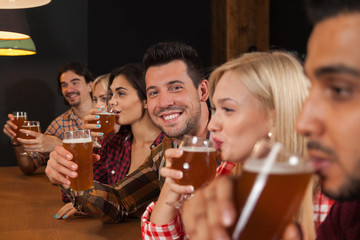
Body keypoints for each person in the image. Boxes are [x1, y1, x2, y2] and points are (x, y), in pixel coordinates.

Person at [182, 0, 360, 239]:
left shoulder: (337, 192)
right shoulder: (346, 212)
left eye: (339, 90)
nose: (304, 121)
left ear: (277, 116)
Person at [141, 51, 317, 239]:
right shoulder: (230, 170)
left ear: (275, 118)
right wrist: (172, 185)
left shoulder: (327, 200)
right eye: (216, 109)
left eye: (228, 109)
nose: (212, 125)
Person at [44, 41, 211, 223]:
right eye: (154, 92)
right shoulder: (165, 150)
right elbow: (120, 201)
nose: (164, 103)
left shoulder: (237, 146)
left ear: (202, 91)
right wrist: (69, 176)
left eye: (176, 87)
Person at [53, 63, 164, 220]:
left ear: (146, 99)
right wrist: (88, 143)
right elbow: (83, 194)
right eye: (111, 95)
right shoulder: (114, 141)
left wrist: (93, 203)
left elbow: (121, 203)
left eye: (121, 94)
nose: (112, 102)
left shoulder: (167, 146)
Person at [2, 62, 94, 175]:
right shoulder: (59, 124)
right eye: (64, 85)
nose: (69, 89)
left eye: (75, 82)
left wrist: (60, 144)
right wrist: (17, 141)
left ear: (90, 86)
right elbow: (29, 166)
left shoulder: (107, 118)